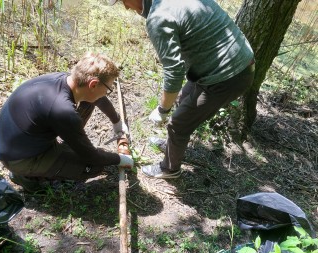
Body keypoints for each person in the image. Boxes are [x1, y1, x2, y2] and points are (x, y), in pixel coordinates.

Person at [109, 0, 255, 179]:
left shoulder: (158, 17)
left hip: (228, 76)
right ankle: (172, 144)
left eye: (123, 1)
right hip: (235, 62)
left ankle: (169, 169)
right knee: (183, 99)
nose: (125, 7)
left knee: (179, 123)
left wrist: (163, 110)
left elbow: (174, 71)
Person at [0, 52, 134, 192]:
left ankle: (66, 148)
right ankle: (27, 177)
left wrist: (116, 122)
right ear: (93, 84)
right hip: (20, 159)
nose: (106, 93)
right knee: (94, 167)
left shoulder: (66, 80)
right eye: (108, 89)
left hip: (16, 141)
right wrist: (120, 159)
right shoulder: (63, 111)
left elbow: (97, 97)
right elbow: (92, 156)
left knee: (88, 102)